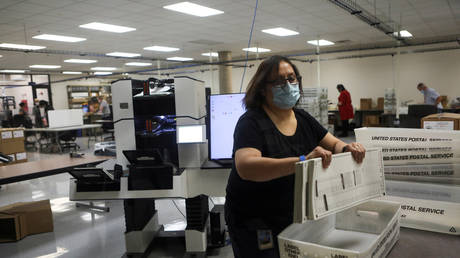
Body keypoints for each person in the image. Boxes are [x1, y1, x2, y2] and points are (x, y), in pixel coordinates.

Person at [225, 55, 366, 258]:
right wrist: (301, 162)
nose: (288, 85)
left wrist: (347, 149)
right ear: (263, 88)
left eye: (292, 78)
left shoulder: (302, 117)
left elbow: (333, 142)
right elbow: (246, 166)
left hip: (291, 214)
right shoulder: (251, 122)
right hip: (254, 219)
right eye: (279, 81)